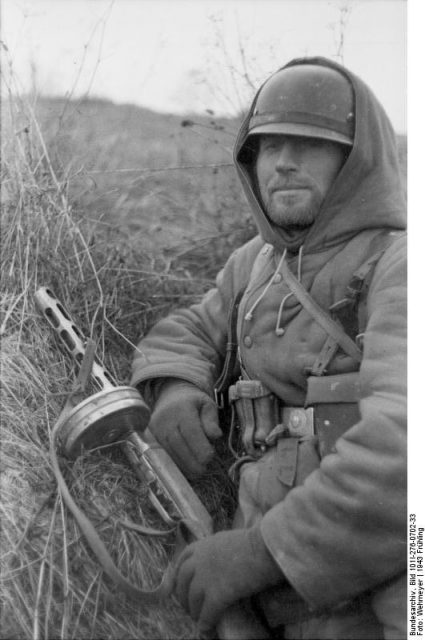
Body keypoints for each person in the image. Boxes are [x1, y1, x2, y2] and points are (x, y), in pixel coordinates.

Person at [131, 56, 407, 640]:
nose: (282, 162)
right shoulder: (257, 265)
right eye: (267, 146)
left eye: (309, 144)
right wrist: (177, 386)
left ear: (356, 160)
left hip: (370, 591)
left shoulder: (401, 267)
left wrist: (262, 552)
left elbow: (407, 448)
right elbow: (190, 329)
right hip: (264, 593)